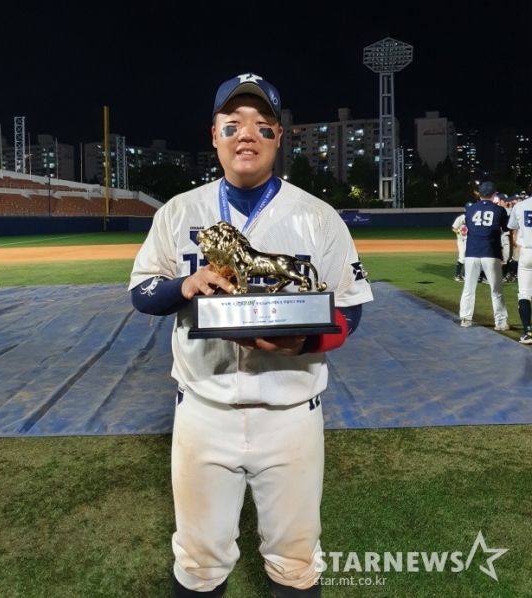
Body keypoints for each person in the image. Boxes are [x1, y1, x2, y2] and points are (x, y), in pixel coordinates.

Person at [128, 73, 374, 598]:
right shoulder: (179, 212)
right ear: (213, 134)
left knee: (296, 560)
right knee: (197, 563)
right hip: (202, 410)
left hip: (290, 414)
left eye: (262, 126)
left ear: (278, 139)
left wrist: (304, 342)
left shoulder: (318, 217)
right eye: (233, 124)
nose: (247, 135)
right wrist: (184, 284)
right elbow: (143, 293)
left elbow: (350, 312)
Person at [459, 181, 509, 330]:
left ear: (479, 194)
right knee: (496, 290)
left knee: (468, 288)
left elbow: (470, 226)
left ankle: (466, 319)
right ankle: (500, 323)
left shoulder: (471, 209)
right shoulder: (499, 210)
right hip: (490, 252)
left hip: (472, 253)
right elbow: (505, 228)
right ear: (494, 195)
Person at [508, 187, 532, 343]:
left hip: (527, 252)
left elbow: (511, 228)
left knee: (524, 293)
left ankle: (527, 333)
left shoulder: (520, 205)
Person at [451, 202, 471, 281]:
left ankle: (466, 275)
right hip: (462, 240)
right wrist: (459, 232)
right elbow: (453, 228)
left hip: (470, 240)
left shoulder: (473, 218)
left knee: (468, 258)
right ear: (465, 209)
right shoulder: (460, 218)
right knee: (462, 257)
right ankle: (457, 276)